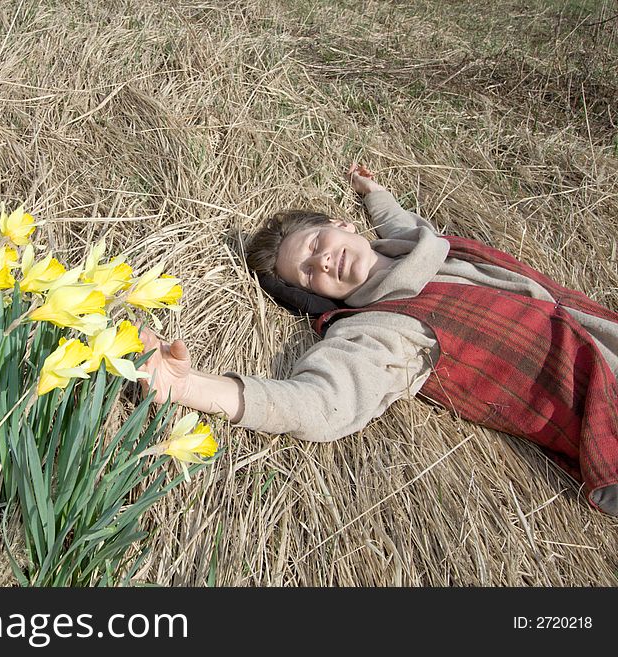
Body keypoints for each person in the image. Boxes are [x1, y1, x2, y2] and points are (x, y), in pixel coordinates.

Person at [138, 164, 618, 516]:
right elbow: (320, 402)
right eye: (307, 274)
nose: (322, 264)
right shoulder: (384, 327)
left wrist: (375, 193)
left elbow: (403, 226)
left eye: (312, 247)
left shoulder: (417, 247)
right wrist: (188, 386)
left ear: (342, 226)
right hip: (605, 414)